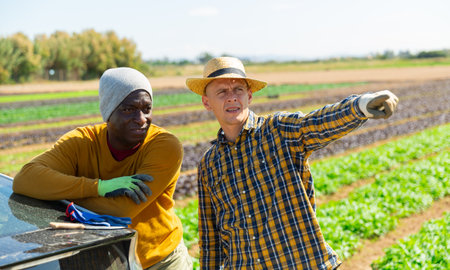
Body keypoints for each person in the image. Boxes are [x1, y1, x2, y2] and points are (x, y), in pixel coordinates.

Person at [185, 57, 398, 269]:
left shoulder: (278, 131)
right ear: (206, 102)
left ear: (249, 96)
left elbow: (316, 123)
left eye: (238, 90)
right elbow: (210, 240)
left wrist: (361, 106)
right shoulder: (209, 164)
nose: (231, 98)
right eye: (222, 92)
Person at [13, 67, 192, 270]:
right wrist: (99, 187)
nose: (141, 119)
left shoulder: (163, 145)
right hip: (106, 260)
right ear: (108, 111)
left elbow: (122, 211)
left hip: (160, 258)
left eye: (146, 108)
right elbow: (25, 179)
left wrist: (60, 198)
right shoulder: (82, 142)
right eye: (128, 109)